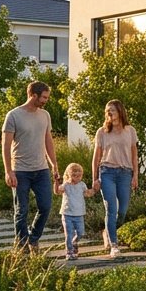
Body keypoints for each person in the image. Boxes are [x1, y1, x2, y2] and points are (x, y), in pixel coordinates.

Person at [2, 81, 59, 252]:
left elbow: (48, 141)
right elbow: (5, 145)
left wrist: (54, 165)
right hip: (20, 170)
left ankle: (33, 239)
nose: (46, 100)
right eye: (44, 97)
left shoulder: (45, 115)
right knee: (22, 210)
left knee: (46, 206)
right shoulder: (13, 116)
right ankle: (22, 244)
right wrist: (8, 171)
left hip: (41, 169)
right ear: (33, 95)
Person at [91, 99, 138, 258]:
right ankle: (114, 245)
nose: (109, 113)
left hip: (125, 173)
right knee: (111, 209)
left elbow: (134, 155)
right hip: (107, 172)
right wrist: (95, 178)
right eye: (107, 110)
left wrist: (135, 176)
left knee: (122, 211)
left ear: (120, 112)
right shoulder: (102, 132)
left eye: (112, 110)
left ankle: (107, 231)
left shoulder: (130, 130)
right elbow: (96, 157)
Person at [54, 163, 95, 261]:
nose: (77, 177)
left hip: (79, 214)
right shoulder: (66, 185)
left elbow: (88, 193)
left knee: (81, 232)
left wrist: (95, 188)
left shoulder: (82, 185)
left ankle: (74, 242)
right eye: (74, 175)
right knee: (69, 234)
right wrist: (56, 182)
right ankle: (69, 252)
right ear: (69, 174)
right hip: (67, 213)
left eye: (79, 175)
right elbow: (57, 192)